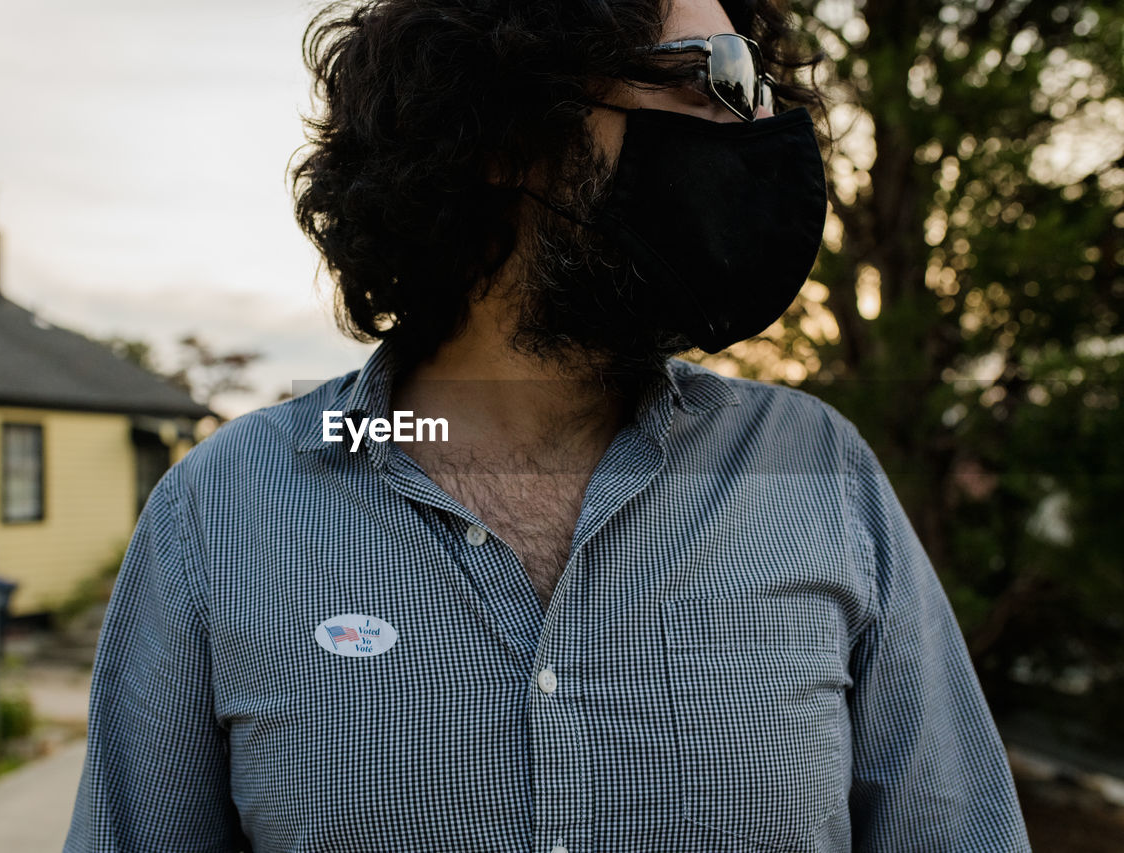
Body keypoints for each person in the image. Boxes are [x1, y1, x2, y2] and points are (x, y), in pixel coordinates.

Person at [64, 0, 1032, 850]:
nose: (758, 124)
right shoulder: (228, 508)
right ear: (500, 130)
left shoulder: (811, 470)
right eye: (713, 77)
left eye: (760, 81)